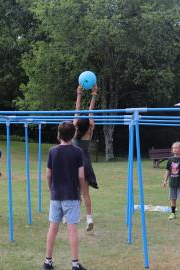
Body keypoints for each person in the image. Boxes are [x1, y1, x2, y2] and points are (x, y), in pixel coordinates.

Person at [43, 121, 86, 270]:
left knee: (52, 228)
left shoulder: (52, 151)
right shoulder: (77, 152)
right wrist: (80, 193)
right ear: (73, 134)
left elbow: (48, 175)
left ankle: (47, 262)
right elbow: (81, 177)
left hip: (56, 195)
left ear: (59, 134)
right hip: (72, 196)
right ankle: (75, 264)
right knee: (72, 229)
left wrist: (51, 188)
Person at [73, 83, 98, 231]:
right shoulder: (90, 129)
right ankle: (89, 218)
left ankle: (74, 215)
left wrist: (79, 93)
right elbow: (90, 111)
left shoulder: (74, 128)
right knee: (85, 193)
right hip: (86, 163)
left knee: (74, 192)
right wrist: (94, 94)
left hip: (74, 163)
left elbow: (77, 110)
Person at [162, 141, 180, 220]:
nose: (175, 149)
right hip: (172, 183)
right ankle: (173, 213)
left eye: (176, 148)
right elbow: (168, 171)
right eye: (173, 148)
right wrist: (165, 181)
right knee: (173, 199)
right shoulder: (170, 159)